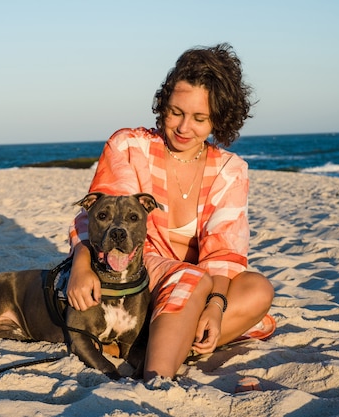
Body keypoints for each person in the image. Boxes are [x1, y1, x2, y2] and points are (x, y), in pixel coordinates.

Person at [67, 43, 274, 382]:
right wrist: (80, 265)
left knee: (257, 289)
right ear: (163, 103)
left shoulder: (230, 170)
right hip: (132, 279)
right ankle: (156, 381)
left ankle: (157, 341)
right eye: (176, 111)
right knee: (189, 278)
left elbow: (223, 253)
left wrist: (215, 307)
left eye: (199, 118)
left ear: (218, 120)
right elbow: (105, 220)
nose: (183, 127)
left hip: (196, 288)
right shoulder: (129, 147)